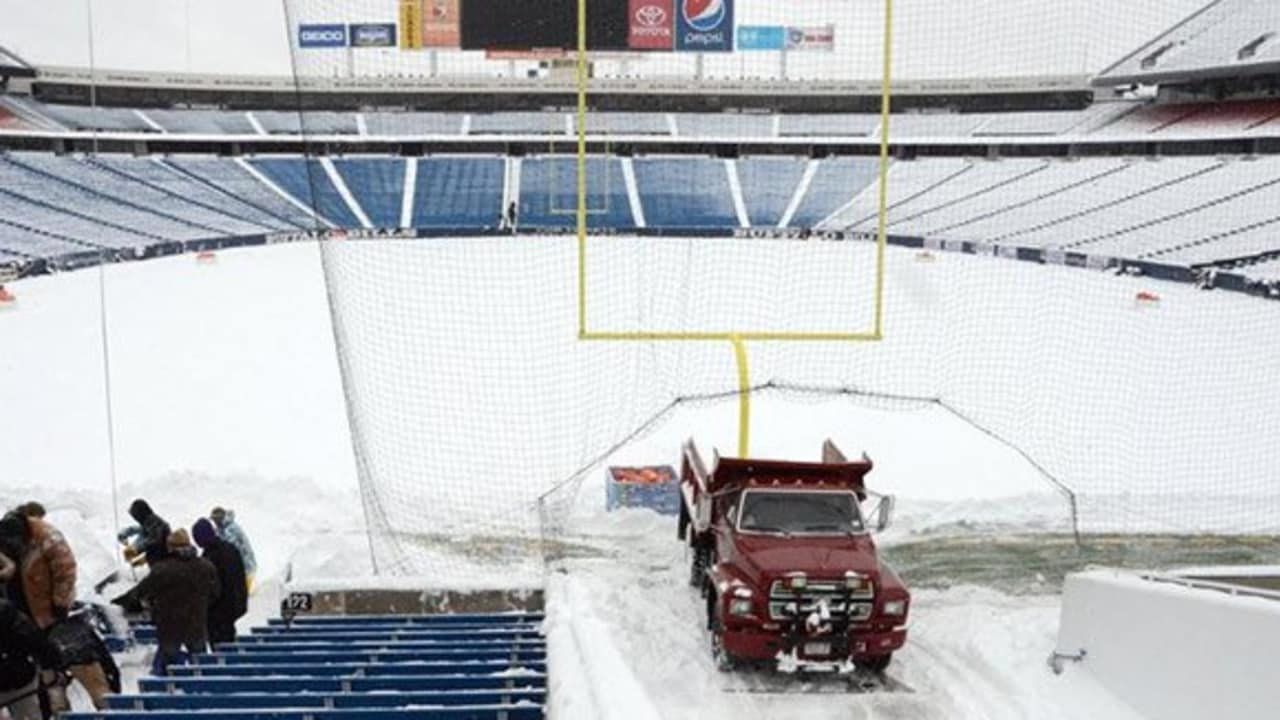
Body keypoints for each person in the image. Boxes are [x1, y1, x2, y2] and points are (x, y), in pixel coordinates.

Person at [0, 511, 111, 711]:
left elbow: (65, 570)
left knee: (85, 679)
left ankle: (105, 710)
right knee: (50, 688)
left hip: (48, 617)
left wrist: (59, 604)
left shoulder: (45, 536)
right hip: (25, 623)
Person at [115, 529, 219, 674]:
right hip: (197, 625)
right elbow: (215, 594)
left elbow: (140, 592)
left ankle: (165, 690)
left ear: (170, 547)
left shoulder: (162, 569)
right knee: (201, 665)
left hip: (170, 626)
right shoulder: (206, 567)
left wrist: (118, 602)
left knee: (165, 667)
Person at [0, 576, 62, 720]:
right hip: (18, 676)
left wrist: (49, 665)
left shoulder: (5, 612)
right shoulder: (6, 611)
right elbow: (36, 640)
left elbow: (35, 640)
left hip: (17, 678)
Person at [192, 519, 247, 645]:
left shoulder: (208, 558)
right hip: (233, 609)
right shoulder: (231, 549)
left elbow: (210, 589)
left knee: (219, 649)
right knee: (228, 646)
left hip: (216, 613)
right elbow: (240, 579)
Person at [210, 507, 256, 592]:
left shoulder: (231, 530)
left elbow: (228, 550)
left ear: (220, 518)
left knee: (241, 596)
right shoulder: (220, 529)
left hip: (245, 568)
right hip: (239, 569)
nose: (214, 522)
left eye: (215, 520)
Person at [117, 499, 171, 566]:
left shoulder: (155, 523)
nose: (135, 519)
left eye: (135, 516)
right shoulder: (149, 522)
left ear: (140, 514)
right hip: (159, 558)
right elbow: (140, 530)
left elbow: (154, 540)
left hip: (163, 561)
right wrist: (124, 533)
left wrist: (135, 549)